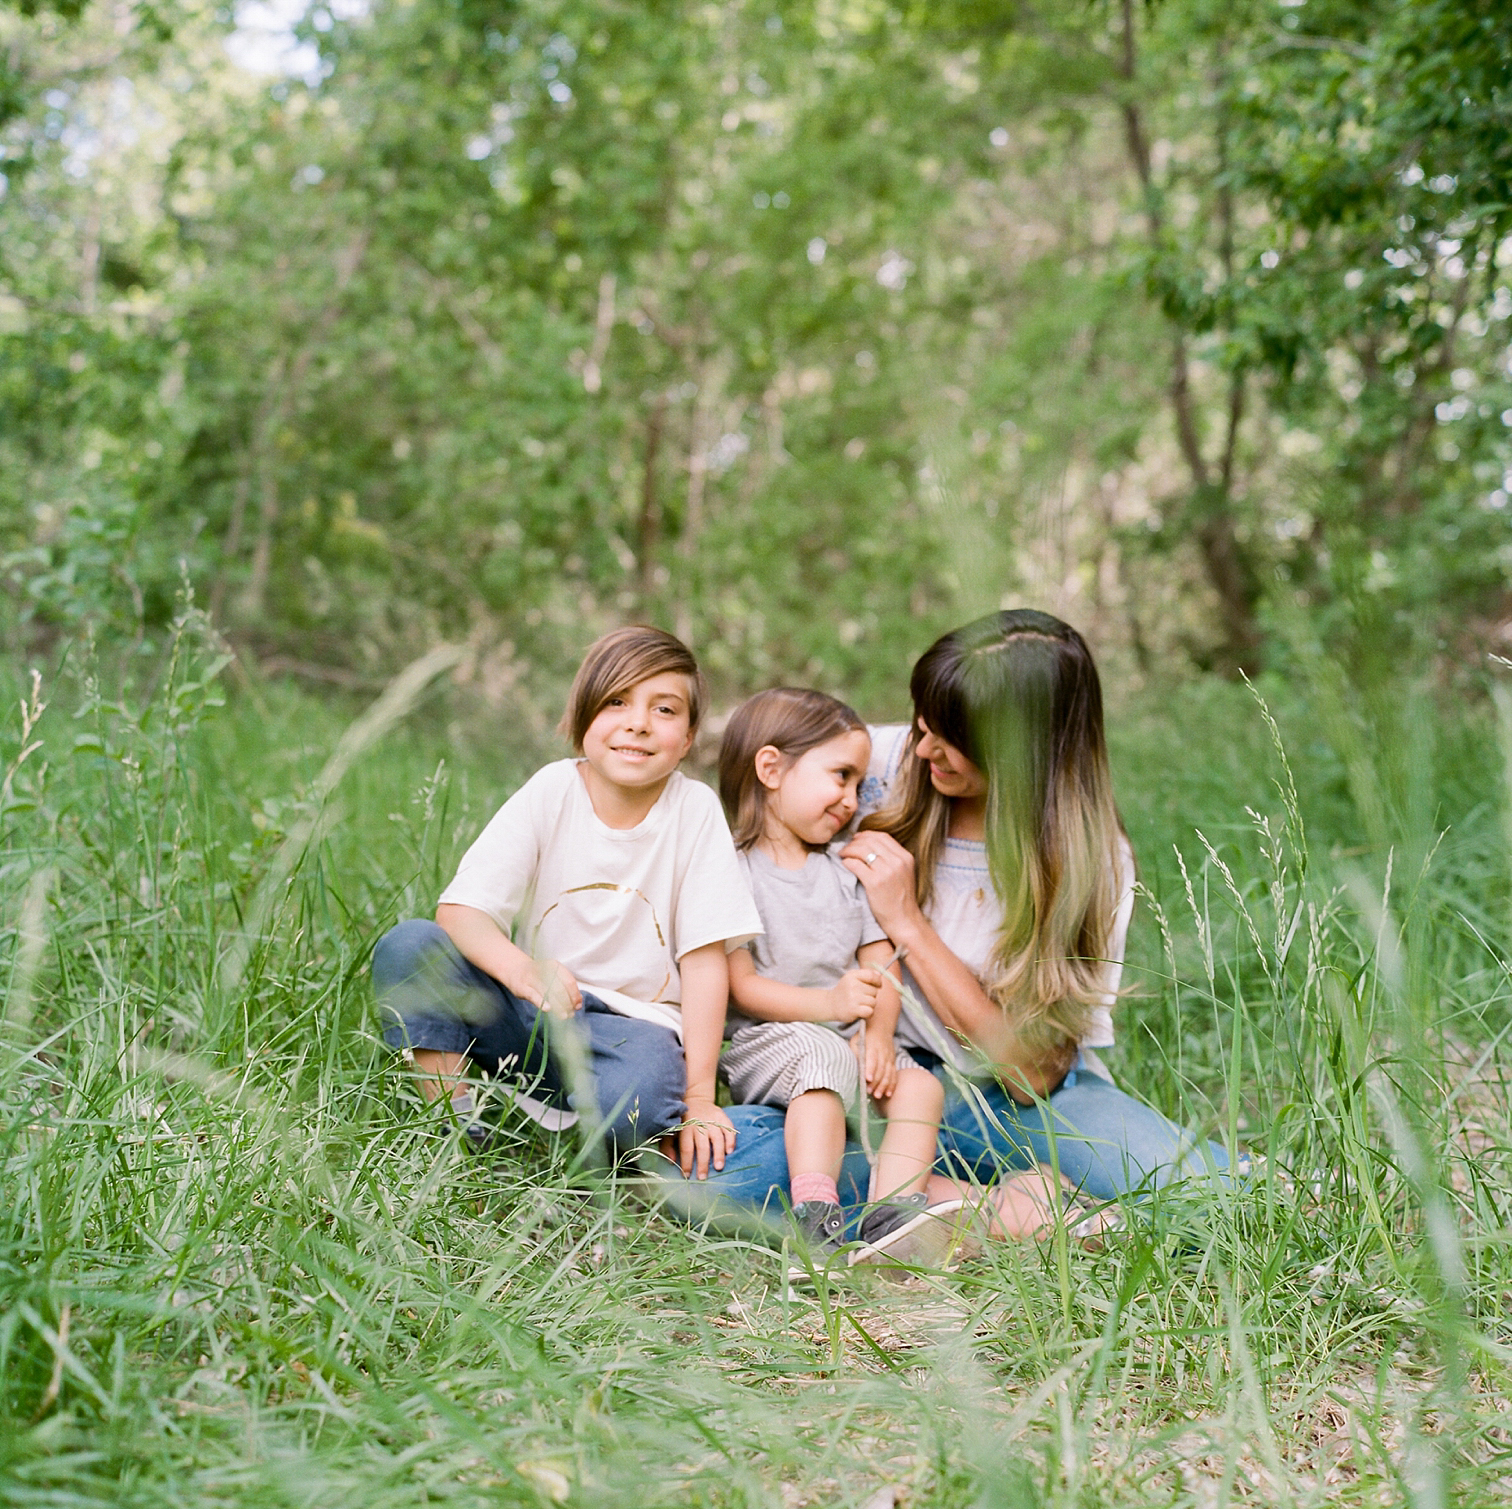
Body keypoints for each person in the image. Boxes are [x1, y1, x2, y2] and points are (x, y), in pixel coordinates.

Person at [683, 609, 1229, 1232]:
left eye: (948, 738)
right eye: (921, 723)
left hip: (1003, 1098)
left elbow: (1033, 1073)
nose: (921, 748)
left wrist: (907, 923)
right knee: (710, 1168)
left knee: (1199, 1192)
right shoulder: (872, 765)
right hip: (860, 1079)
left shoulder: (1092, 860)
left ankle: (938, 1199)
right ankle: (986, 1208)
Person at [371, 626, 761, 1178]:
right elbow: (462, 913)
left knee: (642, 1102)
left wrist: (700, 1096)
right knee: (411, 948)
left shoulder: (694, 811)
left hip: (632, 1034)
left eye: (665, 709)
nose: (638, 722)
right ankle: (454, 1130)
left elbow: (705, 962)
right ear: (583, 716)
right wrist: (525, 971)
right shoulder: (552, 789)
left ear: (690, 734)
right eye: (616, 701)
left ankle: (579, 1150)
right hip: (529, 1010)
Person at [715, 688, 955, 1266]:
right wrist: (831, 1006)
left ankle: (892, 1218)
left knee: (921, 1086)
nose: (852, 799)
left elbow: (882, 967)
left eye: (858, 782)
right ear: (771, 769)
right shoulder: (731, 870)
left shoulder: (846, 870)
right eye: (841, 776)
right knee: (822, 1066)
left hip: (849, 1037)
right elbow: (743, 989)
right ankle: (816, 1220)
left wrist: (877, 1038)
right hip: (770, 1040)